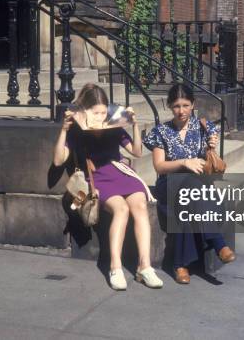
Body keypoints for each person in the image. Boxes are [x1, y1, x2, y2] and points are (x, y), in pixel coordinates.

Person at [52, 83, 163, 290]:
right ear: (85, 111)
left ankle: (144, 267)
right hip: (98, 178)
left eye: (104, 112)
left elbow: (137, 152)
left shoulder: (114, 127)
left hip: (121, 173)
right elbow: (58, 161)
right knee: (121, 209)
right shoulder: (78, 131)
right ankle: (115, 267)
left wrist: (136, 125)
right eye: (96, 112)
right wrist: (64, 131)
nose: (101, 116)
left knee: (139, 206)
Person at [143, 83, 236, 284]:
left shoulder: (203, 127)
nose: (181, 110)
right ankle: (218, 243)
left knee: (188, 202)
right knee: (190, 188)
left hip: (196, 188)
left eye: (185, 105)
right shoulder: (161, 131)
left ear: (193, 105)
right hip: (169, 184)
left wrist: (211, 147)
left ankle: (180, 265)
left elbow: (210, 162)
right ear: (169, 106)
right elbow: (159, 167)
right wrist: (184, 162)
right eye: (176, 105)